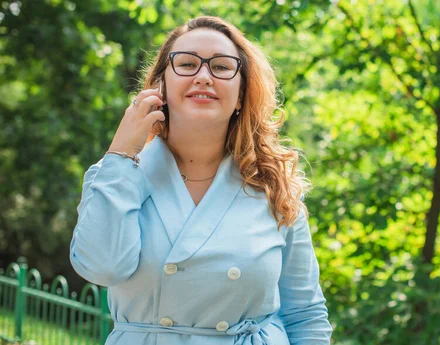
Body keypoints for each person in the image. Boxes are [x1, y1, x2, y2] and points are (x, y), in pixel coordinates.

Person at [69, 15, 332, 345]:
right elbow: (101, 269)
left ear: (240, 96)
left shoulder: (274, 188)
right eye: (187, 63)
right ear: (161, 86)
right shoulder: (115, 177)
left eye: (221, 67)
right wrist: (122, 152)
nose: (203, 76)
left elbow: (305, 314)